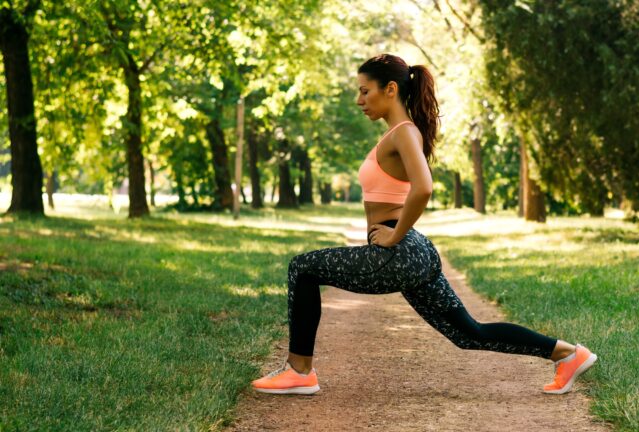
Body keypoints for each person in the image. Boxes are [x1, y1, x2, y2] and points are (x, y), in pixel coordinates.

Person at [251, 53, 597, 396]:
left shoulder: (403, 133)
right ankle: (567, 353)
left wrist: (394, 235)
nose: (359, 101)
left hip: (399, 251)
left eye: (364, 91)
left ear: (390, 89)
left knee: (303, 268)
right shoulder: (400, 133)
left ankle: (299, 371)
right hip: (415, 253)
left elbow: (424, 186)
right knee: (468, 333)